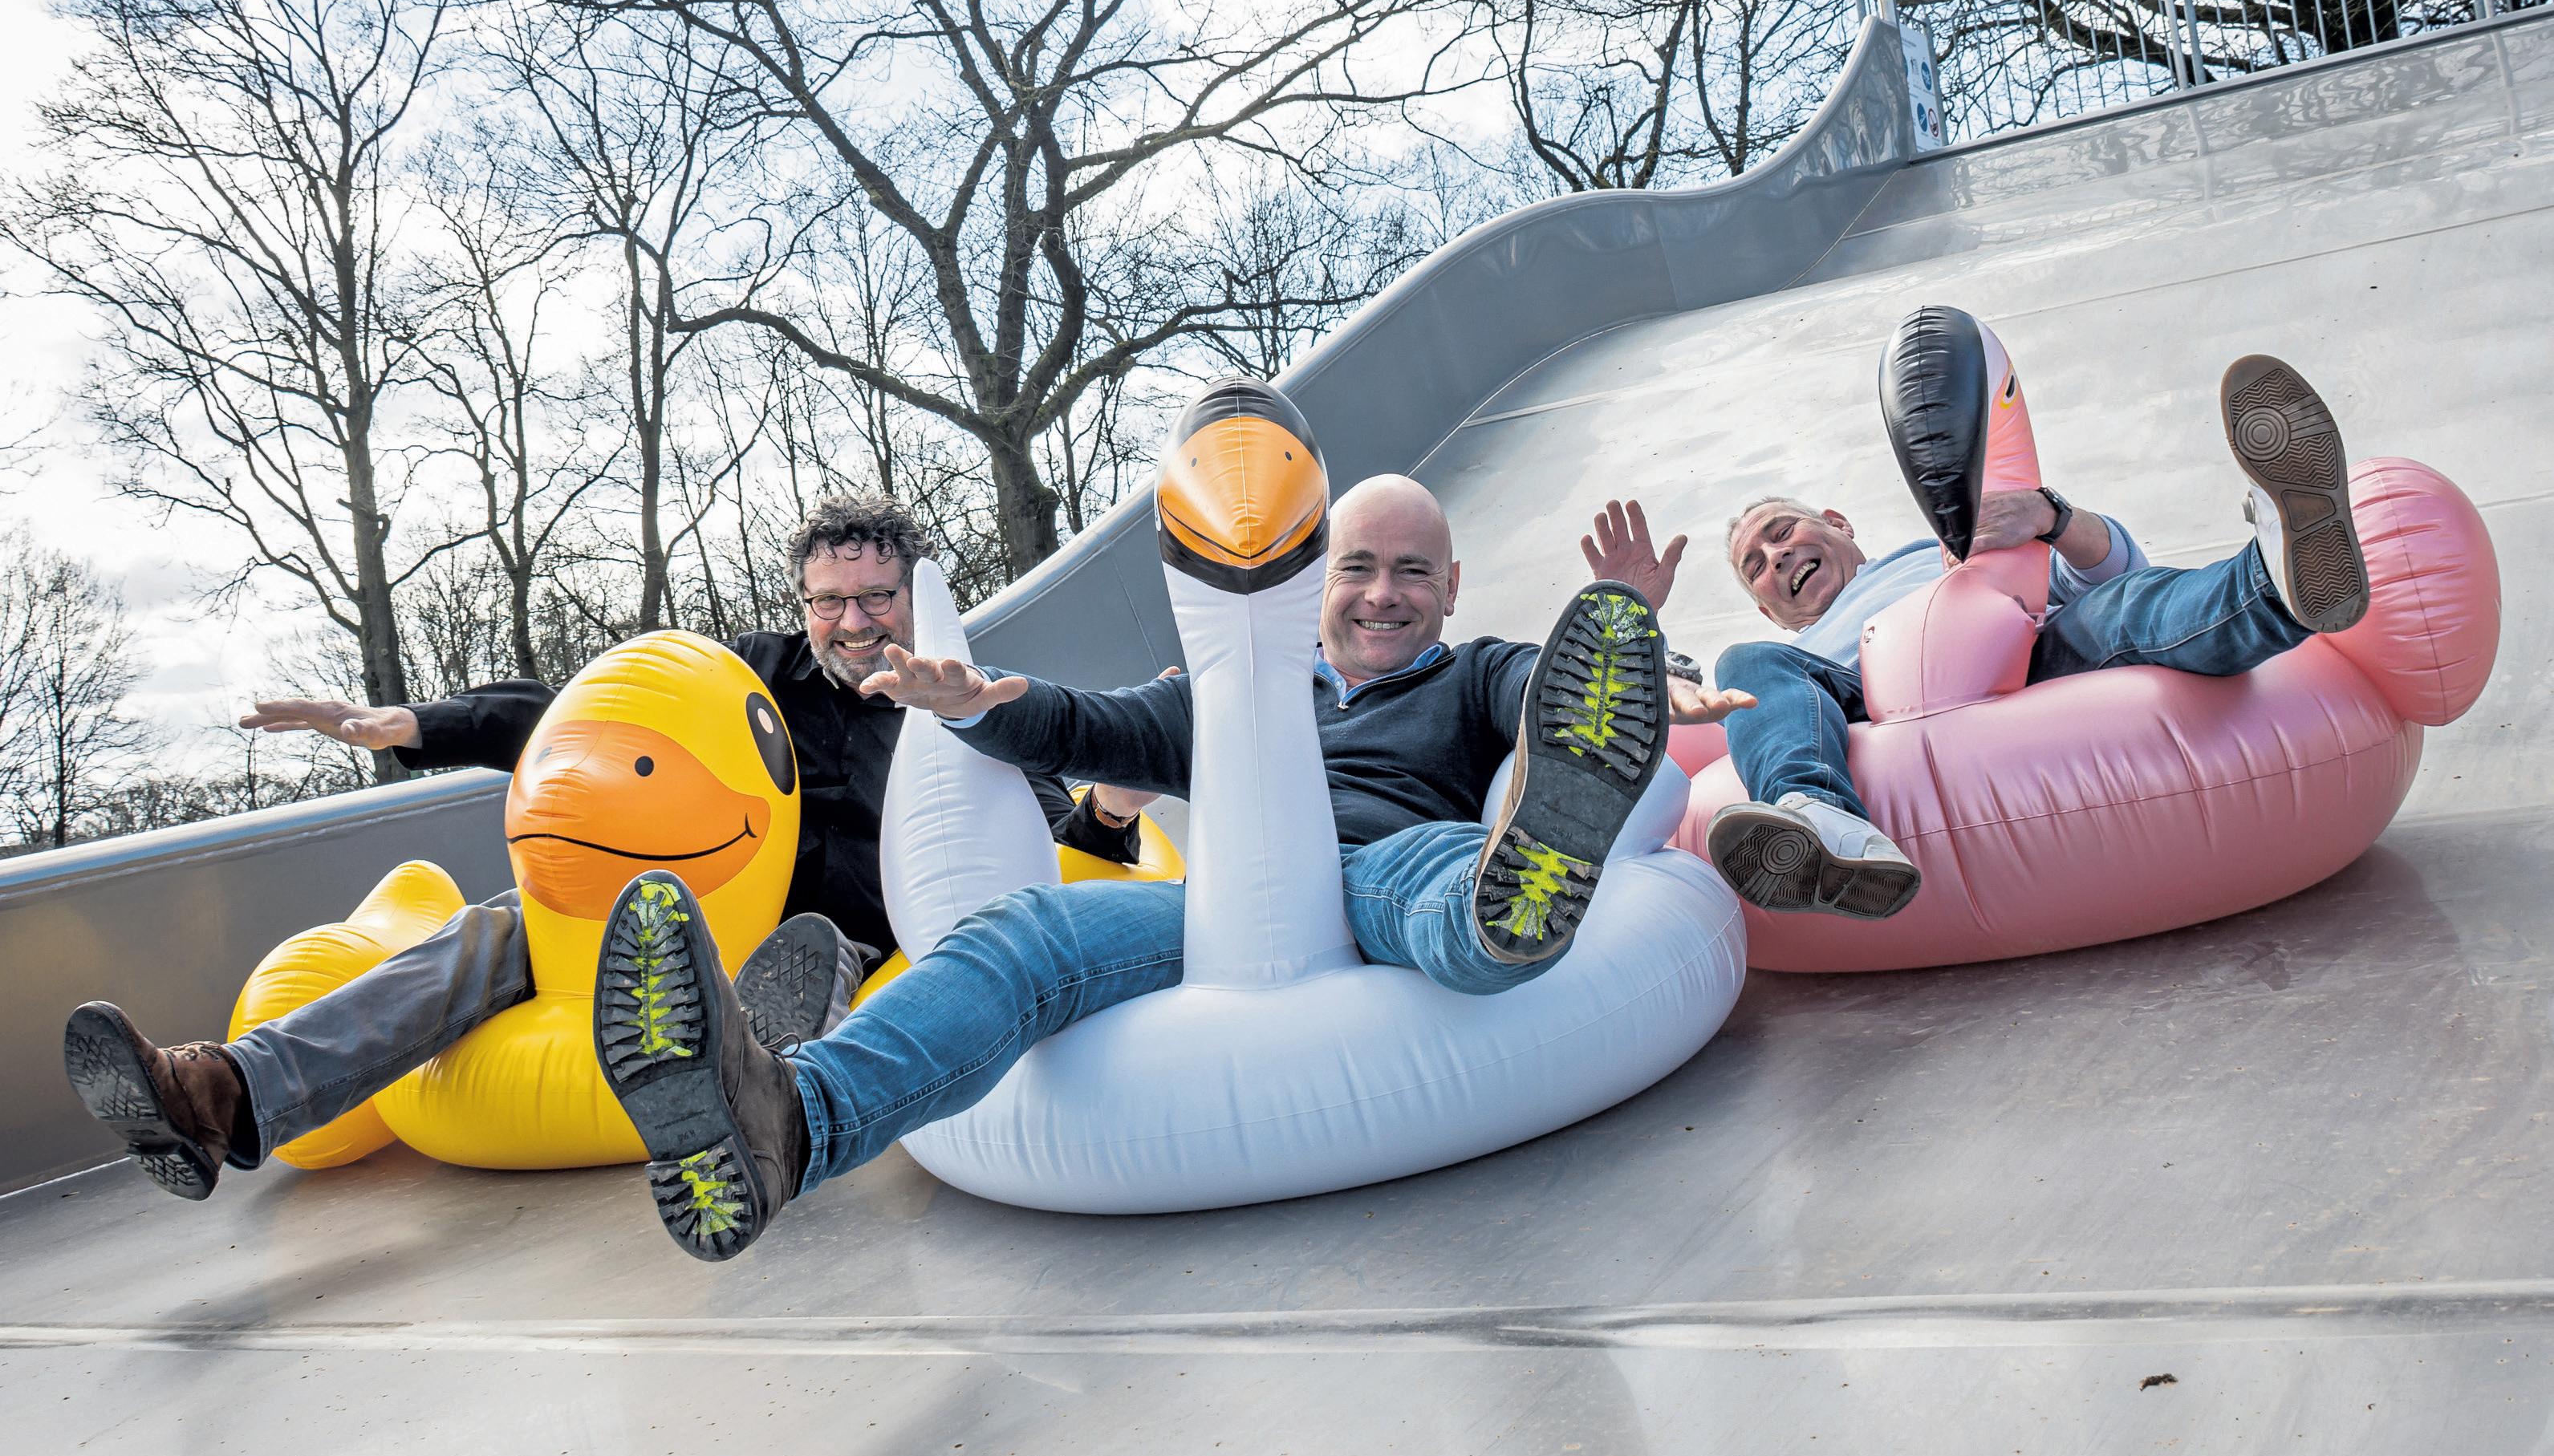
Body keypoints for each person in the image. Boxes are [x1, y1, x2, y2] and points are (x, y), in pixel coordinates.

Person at [585, 468, 1752, 1262]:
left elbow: (1557, 695)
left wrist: (1649, 666)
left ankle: (1509, 915)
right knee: (1023, 932)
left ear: (1450, 589)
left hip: (1390, 864)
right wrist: (976, 705)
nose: (1384, 594)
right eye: (1358, 567)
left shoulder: (1476, 673)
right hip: (1219, 904)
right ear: (1317, 582)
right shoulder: (1228, 693)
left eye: (1412, 572)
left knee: (1437, 875)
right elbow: (1083, 725)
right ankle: (790, 1122)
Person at [63, 493, 1150, 1202]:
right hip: (688, 909)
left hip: (839, 939)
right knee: (504, 925)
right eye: (830, 602)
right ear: (802, 604)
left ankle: (752, 1112)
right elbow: (587, 721)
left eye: (876, 597)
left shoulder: (967, 702)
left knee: (818, 947)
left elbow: (1046, 844)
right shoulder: (754, 673)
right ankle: (225, 1094)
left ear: (917, 597)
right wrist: (415, 726)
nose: (854, 622)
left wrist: (1108, 810)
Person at [1680, 349, 2372, 920]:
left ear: (1836, 523)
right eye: (1755, 567)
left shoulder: (1946, 544)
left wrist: (2048, 516)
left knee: (2119, 607)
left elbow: (2115, 571)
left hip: (2019, 654)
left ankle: (2279, 582)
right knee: (1741, 665)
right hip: (1859, 696)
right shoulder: (1785, 659)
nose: (1775, 558)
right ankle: (1818, 819)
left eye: (1781, 532)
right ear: (1771, 610)